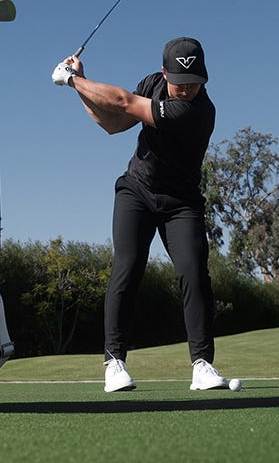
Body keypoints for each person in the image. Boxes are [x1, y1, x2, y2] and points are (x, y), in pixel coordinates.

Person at [51, 36, 229, 392]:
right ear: (164, 73)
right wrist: (79, 86)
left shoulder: (197, 112)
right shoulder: (152, 84)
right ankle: (114, 363)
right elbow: (113, 122)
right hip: (137, 191)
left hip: (181, 202)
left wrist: (73, 80)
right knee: (128, 266)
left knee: (194, 272)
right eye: (180, 83)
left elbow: (123, 101)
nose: (187, 90)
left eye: (194, 83)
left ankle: (201, 365)